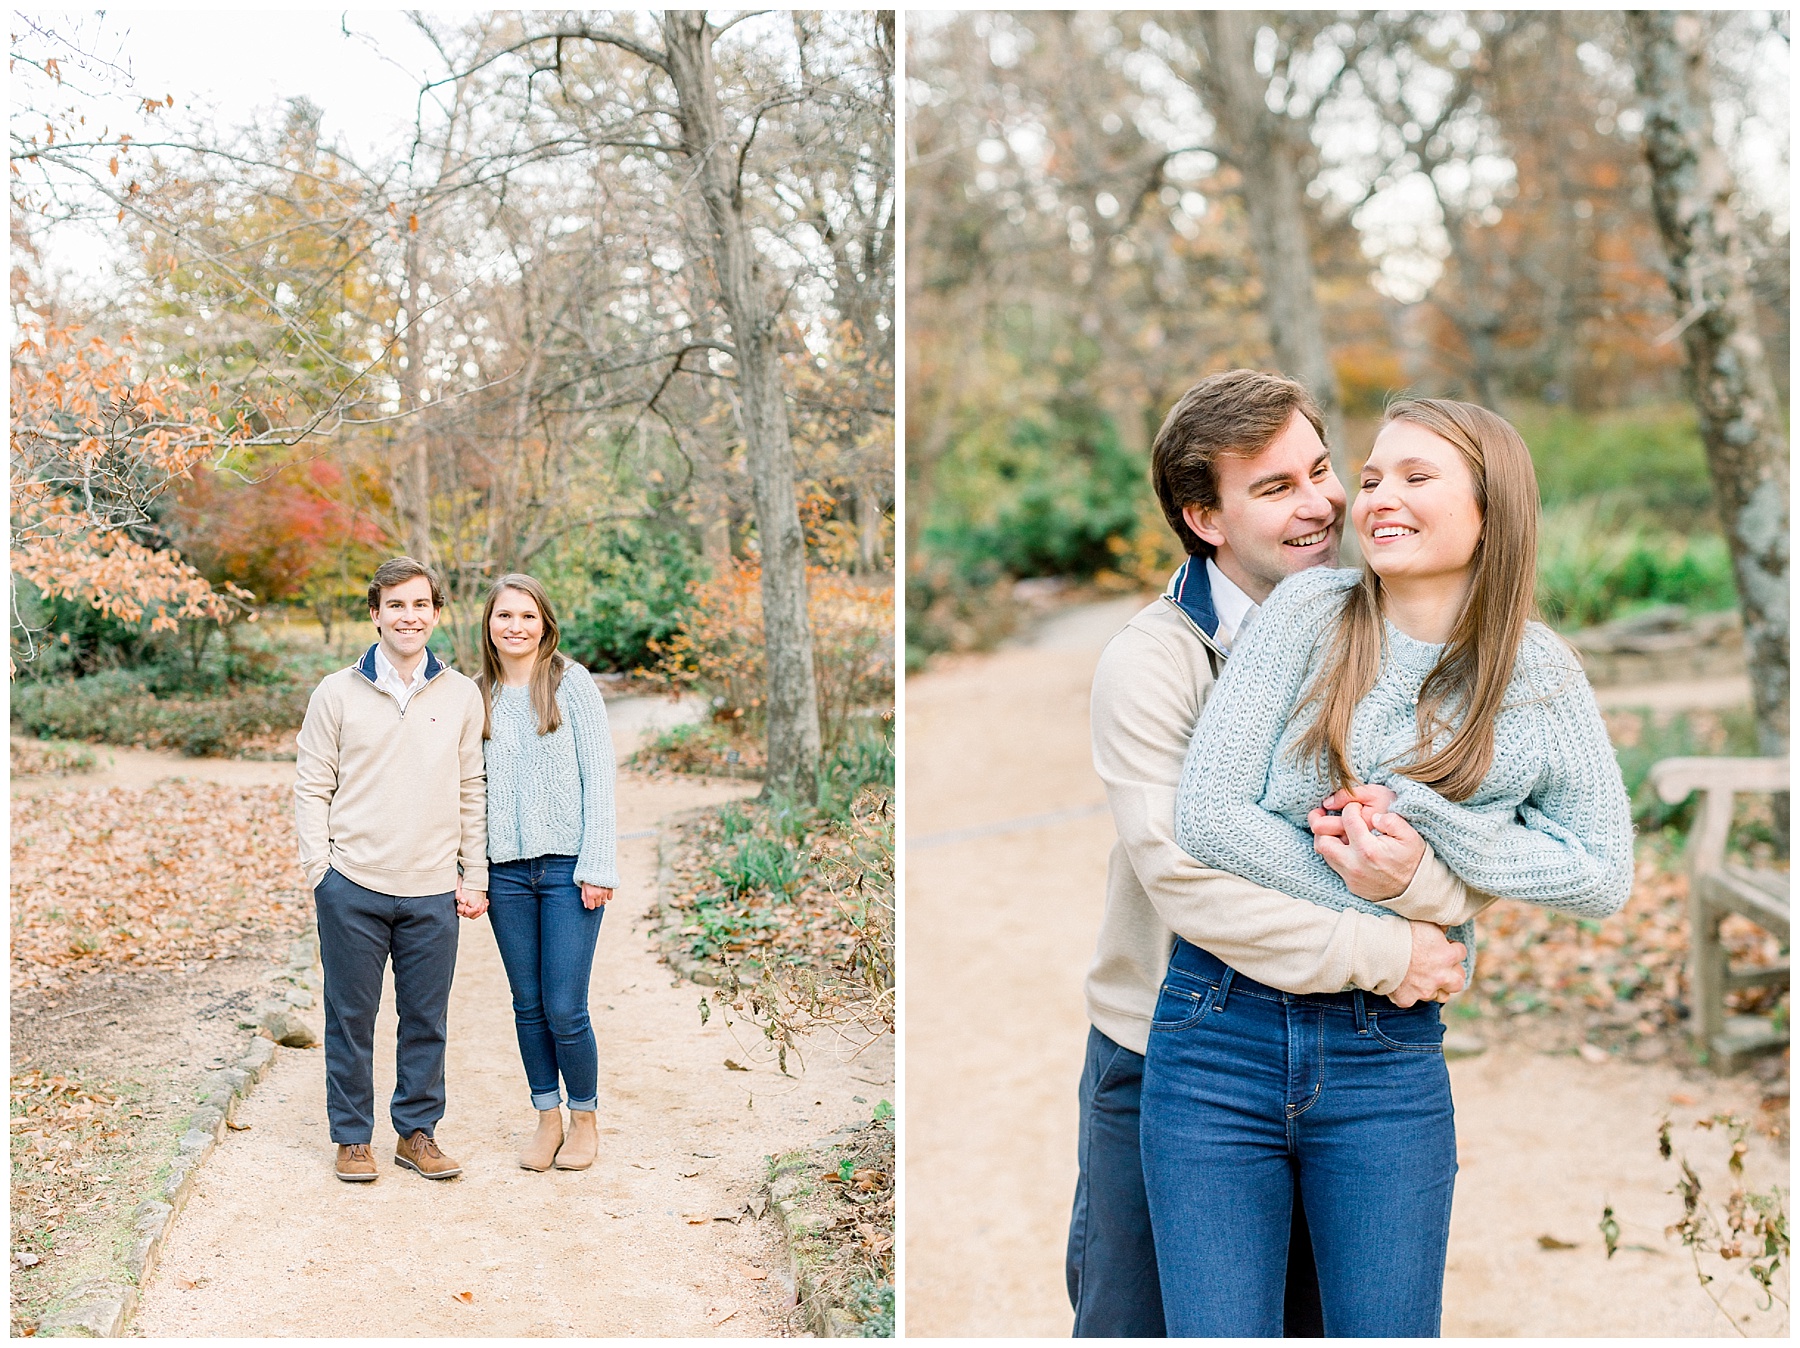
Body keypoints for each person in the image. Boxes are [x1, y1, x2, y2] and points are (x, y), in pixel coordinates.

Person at [1144, 397, 1635, 1336]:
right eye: (1370, 478)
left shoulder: (1537, 674)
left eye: (1417, 477)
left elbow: (1601, 872)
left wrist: (1433, 826)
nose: (1376, 497)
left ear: (1495, 508)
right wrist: (1386, 919)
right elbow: (1208, 815)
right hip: (1218, 1033)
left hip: (1384, 1056)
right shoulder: (1309, 610)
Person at [1072, 371, 1476, 1337]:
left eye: (1323, 470)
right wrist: (1391, 952)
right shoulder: (1154, 662)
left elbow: (1465, 840)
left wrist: (1420, 887)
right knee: (1135, 1324)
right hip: (1169, 1051)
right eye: (1276, 487)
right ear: (1203, 516)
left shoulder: (1395, 636)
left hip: (1360, 1046)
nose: (1323, 504)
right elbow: (1185, 880)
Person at [295, 557, 490, 1184]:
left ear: (436, 613)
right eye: (396, 605)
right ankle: (353, 1138)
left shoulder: (460, 694)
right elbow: (310, 787)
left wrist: (475, 873)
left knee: (426, 1019)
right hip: (351, 883)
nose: (410, 617)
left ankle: (416, 1132)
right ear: (375, 613)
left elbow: (471, 788)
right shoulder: (336, 692)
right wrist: (318, 871)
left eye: (421, 605)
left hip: (432, 887)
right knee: (350, 1017)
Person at [473, 574, 619, 1173]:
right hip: (505, 872)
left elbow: (601, 776)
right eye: (504, 616)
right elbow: (466, 788)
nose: (516, 627)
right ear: (488, 626)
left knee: (565, 1005)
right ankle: (545, 1118)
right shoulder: (473, 694)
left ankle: (584, 1118)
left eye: (527, 616)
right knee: (526, 1003)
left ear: (545, 624)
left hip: (567, 870)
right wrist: (471, 870)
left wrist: (598, 863)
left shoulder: (570, 684)